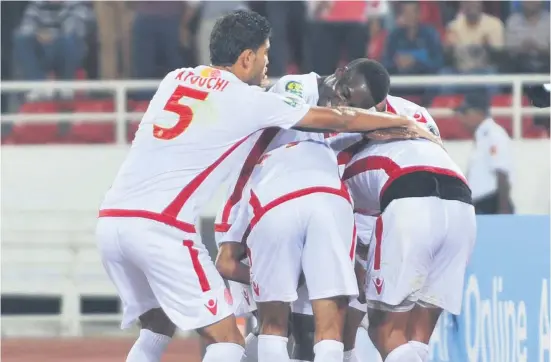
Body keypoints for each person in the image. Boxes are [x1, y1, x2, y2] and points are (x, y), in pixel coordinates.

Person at [95, 10, 430, 362]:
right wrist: (400, 121)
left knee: (157, 325)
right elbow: (333, 117)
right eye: (266, 53)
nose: (269, 64)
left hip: (111, 222)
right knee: (227, 341)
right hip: (161, 229)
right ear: (247, 58)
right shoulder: (246, 99)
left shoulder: (175, 78)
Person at [215, 59, 440, 362]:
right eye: (344, 93)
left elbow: (345, 125)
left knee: (299, 327)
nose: (342, 104)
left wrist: (384, 129)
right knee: (290, 326)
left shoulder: (342, 131)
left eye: (354, 105)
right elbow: (331, 120)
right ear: (341, 70)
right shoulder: (296, 88)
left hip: (296, 203)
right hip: (278, 199)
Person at [335, 94, 476, 361]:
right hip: (462, 202)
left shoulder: (341, 150)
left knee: (384, 328)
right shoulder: (415, 113)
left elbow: (336, 219)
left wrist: (357, 266)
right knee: (416, 336)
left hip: (407, 199)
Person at [456, 91, 514, 214]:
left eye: (465, 113)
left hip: (492, 204)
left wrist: (502, 210)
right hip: (481, 205)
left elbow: (502, 172)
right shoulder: (482, 136)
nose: (461, 118)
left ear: (479, 113)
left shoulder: (494, 134)